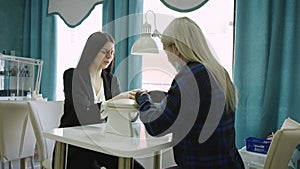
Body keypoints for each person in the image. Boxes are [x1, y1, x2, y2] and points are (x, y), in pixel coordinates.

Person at [135, 17, 245, 169]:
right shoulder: (219, 72)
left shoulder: (188, 77)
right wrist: (164, 97)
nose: (168, 59)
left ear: (176, 48)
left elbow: (155, 126)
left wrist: (142, 98)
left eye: (166, 51)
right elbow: (190, 105)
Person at [54, 32, 144, 169]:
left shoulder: (111, 80)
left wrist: (132, 105)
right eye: (104, 52)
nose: (109, 56)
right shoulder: (73, 76)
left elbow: (120, 115)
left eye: (112, 52)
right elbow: (84, 113)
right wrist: (113, 102)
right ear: (91, 52)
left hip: (103, 144)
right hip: (75, 146)